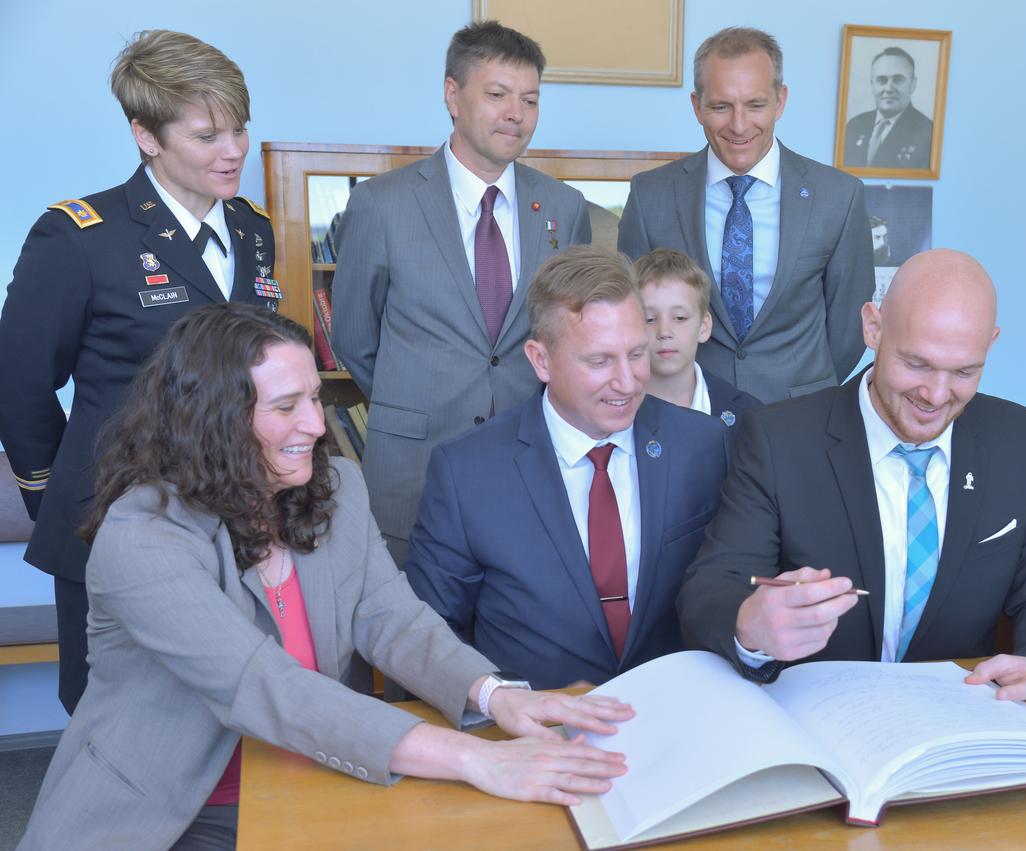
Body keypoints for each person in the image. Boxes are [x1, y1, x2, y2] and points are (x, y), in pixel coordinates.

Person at [18, 303, 633, 851]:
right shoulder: (141, 535)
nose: (315, 424)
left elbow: (393, 618)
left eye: (315, 397)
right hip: (170, 812)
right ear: (213, 421)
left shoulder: (336, 485)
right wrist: (474, 758)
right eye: (287, 407)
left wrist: (496, 696)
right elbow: (266, 687)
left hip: (312, 772)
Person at [0, 30, 282, 716]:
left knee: (226, 706)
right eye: (208, 133)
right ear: (146, 136)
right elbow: (19, 381)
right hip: (114, 519)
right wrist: (60, 499)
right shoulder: (79, 237)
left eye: (240, 128)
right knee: (116, 718)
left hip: (231, 519)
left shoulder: (253, 229)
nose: (234, 149)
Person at [678, 249, 1026, 711]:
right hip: (817, 725)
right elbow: (713, 585)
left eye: (964, 371)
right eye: (916, 364)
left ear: (990, 344)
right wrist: (749, 624)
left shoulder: (1019, 441)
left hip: (960, 727)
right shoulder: (779, 439)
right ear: (873, 328)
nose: (936, 396)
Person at [404, 246, 731, 690]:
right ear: (540, 360)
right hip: (533, 736)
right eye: (599, 361)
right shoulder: (466, 473)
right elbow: (431, 639)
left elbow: (730, 592)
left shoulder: (704, 445)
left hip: (677, 716)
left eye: (637, 353)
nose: (628, 380)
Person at [332, 21, 591, 565]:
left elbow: (570, 334)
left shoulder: (564, 209)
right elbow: (354, 337)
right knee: (407, 633)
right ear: (452, 94)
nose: (514, 114)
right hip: (414, 465)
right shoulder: (383, 204)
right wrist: (418, 400)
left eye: (529, 99)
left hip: (531, 461)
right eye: (497, 95)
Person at [617, 27, 875, 404]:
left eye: (755, 105)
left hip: (798, 411)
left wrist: (800, 386)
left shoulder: (838, 197)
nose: (739, 126)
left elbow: (848, 327)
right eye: (721, 106)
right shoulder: (650, 195)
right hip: (684, 412)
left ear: (780, 101)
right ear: (696, 105)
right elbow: (630, 313)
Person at [636, 248, 760, 429]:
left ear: (703, 327)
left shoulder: (746, 415)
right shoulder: (611, 416)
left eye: (680, 318)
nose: (664, 331)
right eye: (649, 319)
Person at [843, 46, 934, 170]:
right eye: (882, 80)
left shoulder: (928, 132)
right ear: (872, 84)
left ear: (913, 84)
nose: (889, 88)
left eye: (898, 80)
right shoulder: (854, 125)